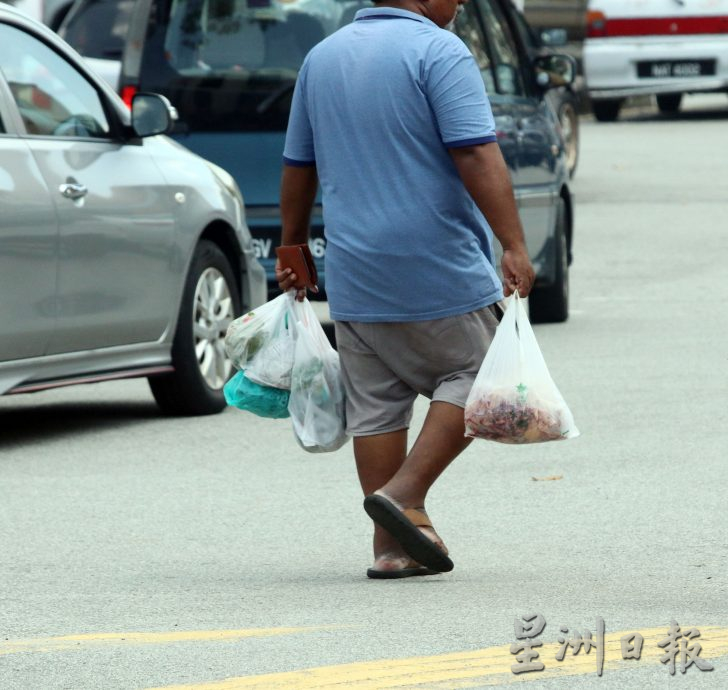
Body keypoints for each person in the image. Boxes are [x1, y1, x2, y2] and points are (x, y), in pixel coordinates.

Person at [276, 0, 535, 578]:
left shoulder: (322, 57)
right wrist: (513, 244)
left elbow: (299, 162)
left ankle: (390, 548)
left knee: (376, 407)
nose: (464, 2)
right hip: (434, 259)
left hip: (355, 268)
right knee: (486, 373)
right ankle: (407, 494)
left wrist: (292, 246)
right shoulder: (439, 51)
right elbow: (473, 149)